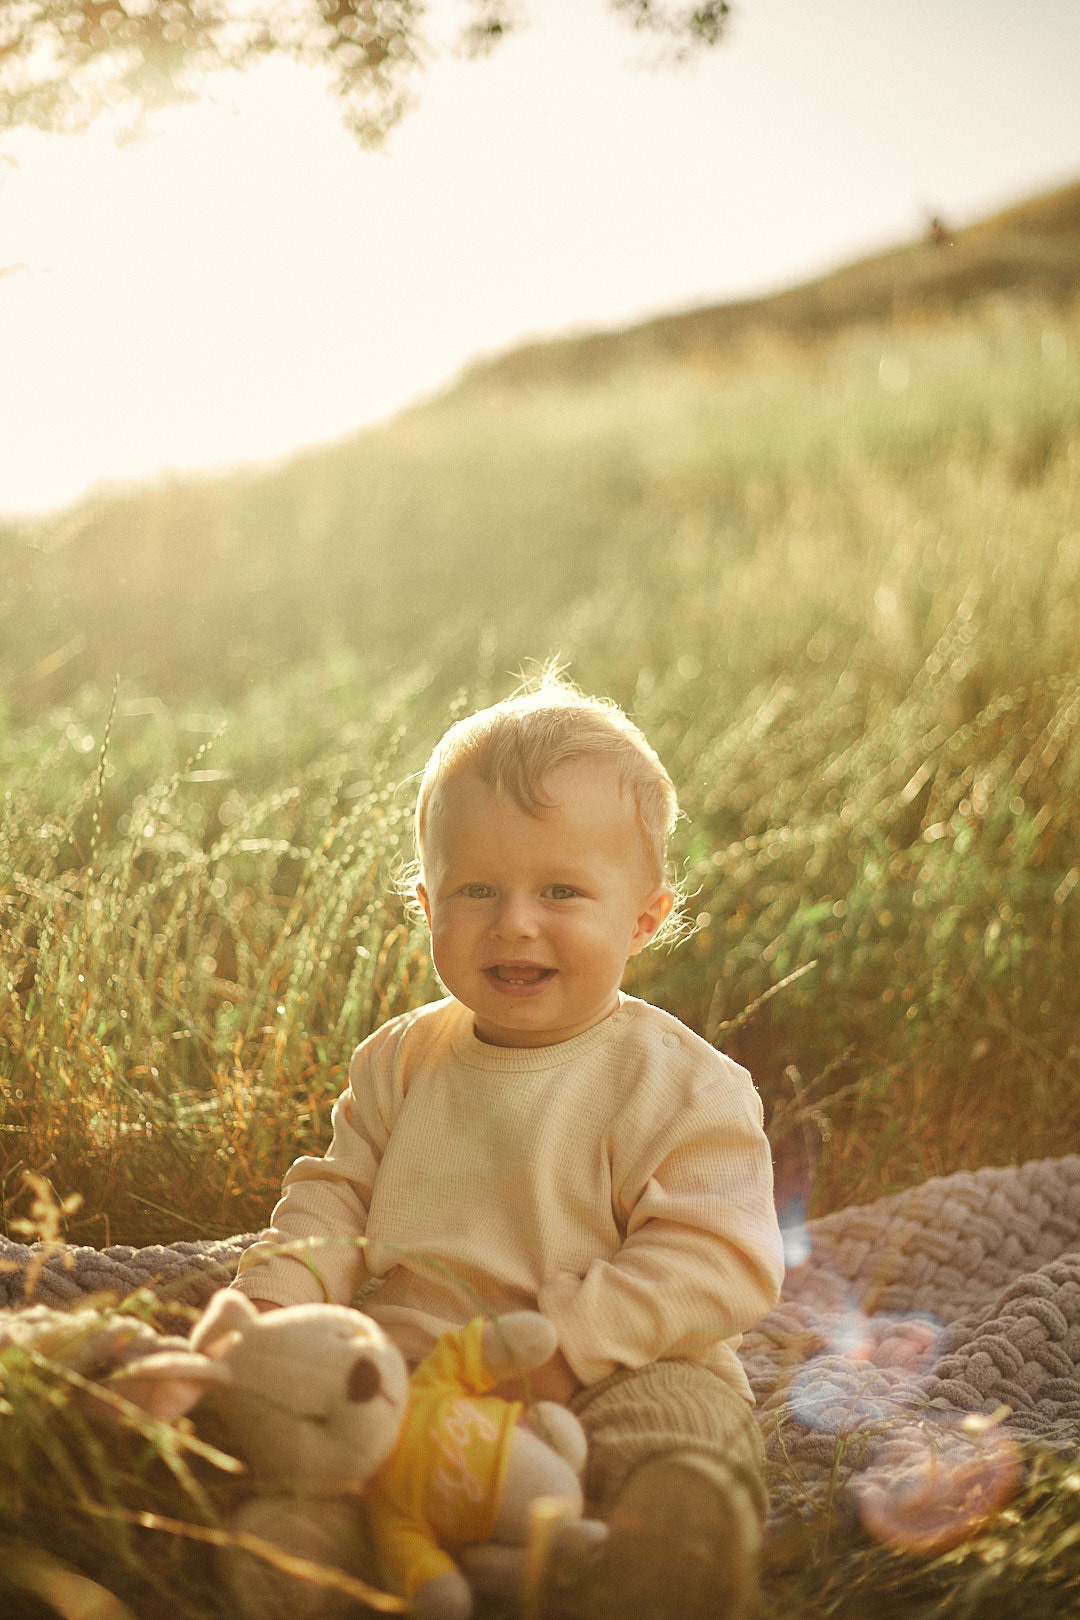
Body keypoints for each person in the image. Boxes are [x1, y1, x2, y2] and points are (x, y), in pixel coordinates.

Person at [234, 676, 784, 1618]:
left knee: (679, 1426)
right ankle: (324, 1564)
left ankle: (660, 1557)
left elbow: (718, 1257)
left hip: (618, 1366)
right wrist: (269, 1313)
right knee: (332, 1454)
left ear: (644, 915)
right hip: (420, 1377)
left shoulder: (681, 1082)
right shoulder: (402, 1061)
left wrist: (574, 1346)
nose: (515, 921)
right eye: (476, 889)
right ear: (427, 903)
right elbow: (331, 1203)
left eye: (562, 890)